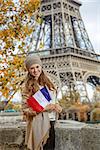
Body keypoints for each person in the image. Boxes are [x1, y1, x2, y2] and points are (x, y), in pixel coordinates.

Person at [21, 54, 62, 150]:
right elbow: (25, 109)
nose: (35, 70)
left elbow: (53, 100)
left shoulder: (49, 82)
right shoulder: (26, 87)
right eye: (32, 68)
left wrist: (57, 106)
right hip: (38, 124)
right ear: (28, 70)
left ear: (41, 66)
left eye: (37, 67)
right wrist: (44, 108)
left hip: (51, 121)